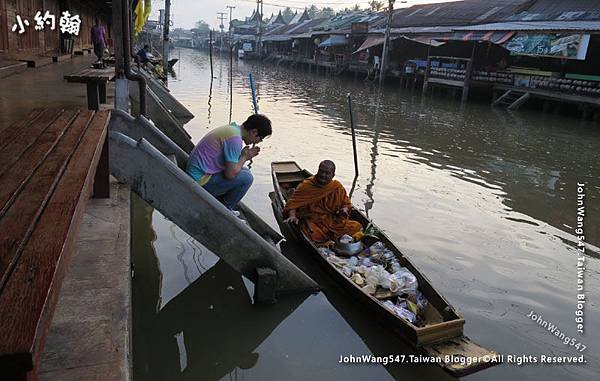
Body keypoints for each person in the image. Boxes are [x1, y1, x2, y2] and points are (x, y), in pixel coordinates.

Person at [186, 114, 272, 211]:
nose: (259, 141)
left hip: (197, 174)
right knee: (247, 178)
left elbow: (230, 164)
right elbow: (230, 175)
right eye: (260, 138)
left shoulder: (232, 130)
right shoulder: (235, 139)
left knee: (245, 171)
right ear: (254, 132)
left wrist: (242, 156)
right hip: (199, 181)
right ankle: (226, 209)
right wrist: (244, 157)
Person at [283, 160, 362, 244]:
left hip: (332, 221)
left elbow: (346, 203)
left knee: (356, 226)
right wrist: (292, 216)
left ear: (333, 175)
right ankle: (330, 241)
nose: (323, 175)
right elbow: (293, 203)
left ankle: (331, 239)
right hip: (313, 221)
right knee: (311, 233)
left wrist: (344, 210)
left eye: (327, 173)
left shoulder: (337, 187)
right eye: (321, 171)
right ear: (317, 171)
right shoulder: (306, 186)